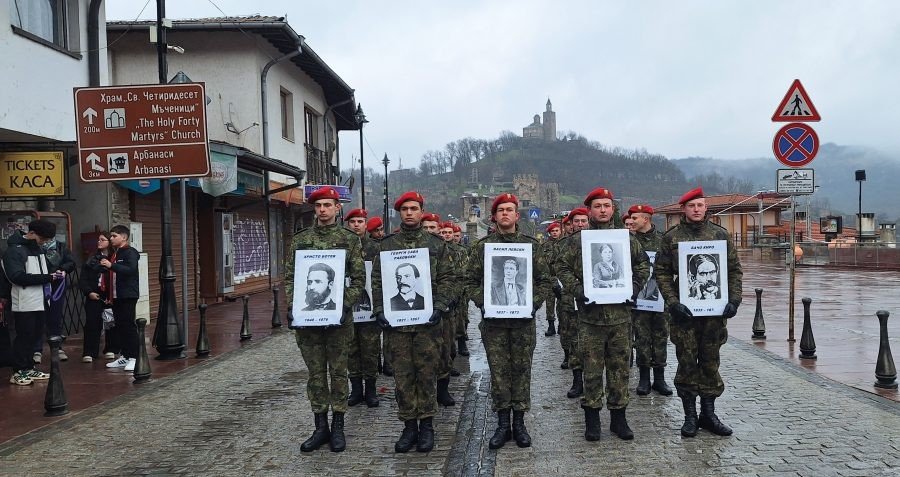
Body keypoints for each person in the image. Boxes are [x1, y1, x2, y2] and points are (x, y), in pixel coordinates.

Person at [557, 188, 650, 441]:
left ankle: (619, 419)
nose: (602, 210)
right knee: (592, 370)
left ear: (613, 209)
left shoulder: (626, 239)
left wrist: (635, 287)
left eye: (607, 205)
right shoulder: (579, 240)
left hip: (620, 318)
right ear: (590, 210)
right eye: (597, 206)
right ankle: (593, 420)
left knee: (620, 370)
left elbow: (643, 264)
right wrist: (578, 290)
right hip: (590, 319)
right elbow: (561, 266)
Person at [655, 187, 743, 438]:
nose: (696, 209)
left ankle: (708, 414)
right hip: (685, 315)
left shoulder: (720, 235)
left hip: (714, 316)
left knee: (710, 361)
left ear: (706, 208)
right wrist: (672, 303)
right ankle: (690, 416)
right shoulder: (672, 238)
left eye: (700, 205)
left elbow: (734, 270)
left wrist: (734, 300)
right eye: (692, 205)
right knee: (686, 362)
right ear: (683, 209)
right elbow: (661, 272)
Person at [466, 193, 551, 449]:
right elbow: (469, 280)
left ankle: (520, 423)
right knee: (500, 372)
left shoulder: (531, 246)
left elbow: (545, 280)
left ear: (517, 215)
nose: (505, 213)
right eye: (501, 209)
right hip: (494, 325)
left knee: (522, 371)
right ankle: (503, 424)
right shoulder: (482, 248)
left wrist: (532, 303)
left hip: (523, 324)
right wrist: (485, 301)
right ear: (494, 216)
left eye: (510, 209)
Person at [371, 190, 454, 453]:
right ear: (399, 212)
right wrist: (380, 309)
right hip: (397, 327)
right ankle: (409, 427)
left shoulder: (436, 244)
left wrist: (440, 307)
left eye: (414, 208)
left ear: (421, 211)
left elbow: (448, 280)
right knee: (403, 378)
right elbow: (376, 282)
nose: (409, 212)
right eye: (404, 208)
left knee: (427, 375)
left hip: (428, 326)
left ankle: (427, 425)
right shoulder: (386, 245)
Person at [285, 186, 365, 453]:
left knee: (339, 372)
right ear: (314, 208)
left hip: (338, 321)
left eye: (328, 205)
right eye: (318, 205)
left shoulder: (349, 239)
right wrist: (292, 305)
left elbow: (359, 279)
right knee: (316, 375)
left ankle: (338, 426)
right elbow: (290, 278)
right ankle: (320, 427)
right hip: (308, 322)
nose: (322, 210)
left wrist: (345, 304)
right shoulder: (300, 240)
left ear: (337, 208)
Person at [3, 220, 55, 385]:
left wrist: (53, 274)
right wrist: (47, 278)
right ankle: (18, 371)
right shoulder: (14, 251)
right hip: (24, 301)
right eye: (42, 239)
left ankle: (29, 367)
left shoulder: (37, 249)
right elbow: (16, 276)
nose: (44, 242)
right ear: (31, 233)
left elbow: (42, 269)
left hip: (40, 299)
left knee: (34, 336)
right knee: (24, 336)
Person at [628, 204, 672, 397]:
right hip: (638, 299)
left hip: (660, 299)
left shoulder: (663, 240)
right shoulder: (629, 241)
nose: (632, 222)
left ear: (646, 219)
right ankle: (644, 378)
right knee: (642, 338)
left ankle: (660, 378)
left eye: (635, 218)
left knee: (661, 337)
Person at [344, 208, 381, 408]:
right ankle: (356, 390)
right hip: (348, 309)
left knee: (370, 350)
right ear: (347, 224)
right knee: (351, 350)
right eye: (353, 221)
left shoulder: (375, 248)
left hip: (370, 307)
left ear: (366, 225)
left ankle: (371, 390)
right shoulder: (341, 247)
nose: (356, 224)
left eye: (360, 221)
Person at [555, 207, 589, 395]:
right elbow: (555, 268)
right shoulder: (563, 244)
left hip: (595, 302)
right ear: (571, 223)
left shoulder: (598, 241)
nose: (580, 224)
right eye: (577, 221)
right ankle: (577, 381)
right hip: (570, 298)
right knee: (574, 339)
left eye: (584, 221)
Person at [32, 225, 75, 364]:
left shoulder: (61, 247)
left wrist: (63, 270)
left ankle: (57, 347)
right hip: (39, 285)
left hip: (56, 286)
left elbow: (71, 262)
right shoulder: (35, 247)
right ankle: (36, 349)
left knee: (55, 317)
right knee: (38, 317)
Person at [102, 225, 141, 372]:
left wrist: (111, 265)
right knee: (120, 325)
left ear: (123, 237)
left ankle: (134, 357)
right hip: (116, 295)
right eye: (111, 236)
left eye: (114, 236)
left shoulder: (130, 252)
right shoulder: (116, 253)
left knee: (128, 325)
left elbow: (130, 270)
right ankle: (125, 355)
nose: (111, 239)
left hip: (128, 295)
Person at [78, 232, 116, 363]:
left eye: (102, 239)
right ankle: (89, 352)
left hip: (110, 295)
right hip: (94, 294)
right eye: (98, 240)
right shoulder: (92, 258)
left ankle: (111, 348)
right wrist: (89, 292)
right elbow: (83, 279)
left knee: (110, 322)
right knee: (92, 323)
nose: (99, 242)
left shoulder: (114, 258)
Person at [541, 222, 562, 336]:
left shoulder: (564, 244)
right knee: (550, 303)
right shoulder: (545, 246)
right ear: (549, 233)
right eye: (552, 231)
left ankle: (561, 325)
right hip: (550, 278)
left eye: (556, 230)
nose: (554, 233)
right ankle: (551, 326)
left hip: (561, 278)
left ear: (560, 231)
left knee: (561, 302)